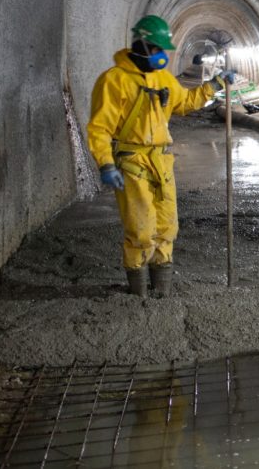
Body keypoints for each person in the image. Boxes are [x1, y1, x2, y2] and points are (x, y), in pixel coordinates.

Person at [86, 15, 235, 298]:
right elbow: (99, 128)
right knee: (141, 230)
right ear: (141, 45)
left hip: (161, 161)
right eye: (157, 49)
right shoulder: (113, 81)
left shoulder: (163, 78)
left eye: (164, 50)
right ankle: (139, 294)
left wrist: (213, 85)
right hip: (132, 161)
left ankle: (162, 291)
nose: (162, 55)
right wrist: (105, 163)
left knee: (167, 226)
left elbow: (184, 103)